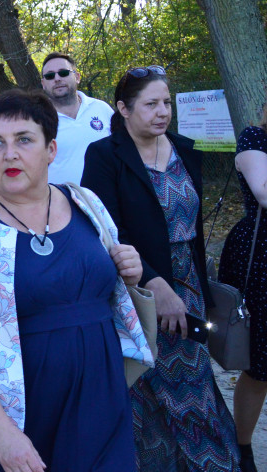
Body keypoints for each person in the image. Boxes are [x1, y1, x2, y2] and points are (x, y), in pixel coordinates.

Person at [0, 89, 153, 472]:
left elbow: (113, 287)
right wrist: (2, 435)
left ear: (50, 150)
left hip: (97, 401)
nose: (9, 153)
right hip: (11, 414)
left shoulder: (87, 204)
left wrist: (129, 268)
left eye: (24, 140)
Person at [82, 66, 241, 470]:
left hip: (187, 294)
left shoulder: (186, 149)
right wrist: (157, 284)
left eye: (166, 102)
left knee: (193, 394)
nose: (162, 112)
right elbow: (107, 231)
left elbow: (195, 229)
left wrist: (199, 293)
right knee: (144, 401)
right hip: (135, 294)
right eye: (150, 104)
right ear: (123, 109)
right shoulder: (104, 155)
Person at [220, 108, 267, 472]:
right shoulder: (255, 137)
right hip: (262, 259)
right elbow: (264, 192)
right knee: (260, 366)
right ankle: (243, 447)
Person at [40, 52, 114, 185]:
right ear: (43, 83)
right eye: (50, 76)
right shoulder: (37, 119)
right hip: (62, 202)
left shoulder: (102, 109)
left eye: (63, 73)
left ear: (77, 77)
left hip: (108, 201)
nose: (57, 79)